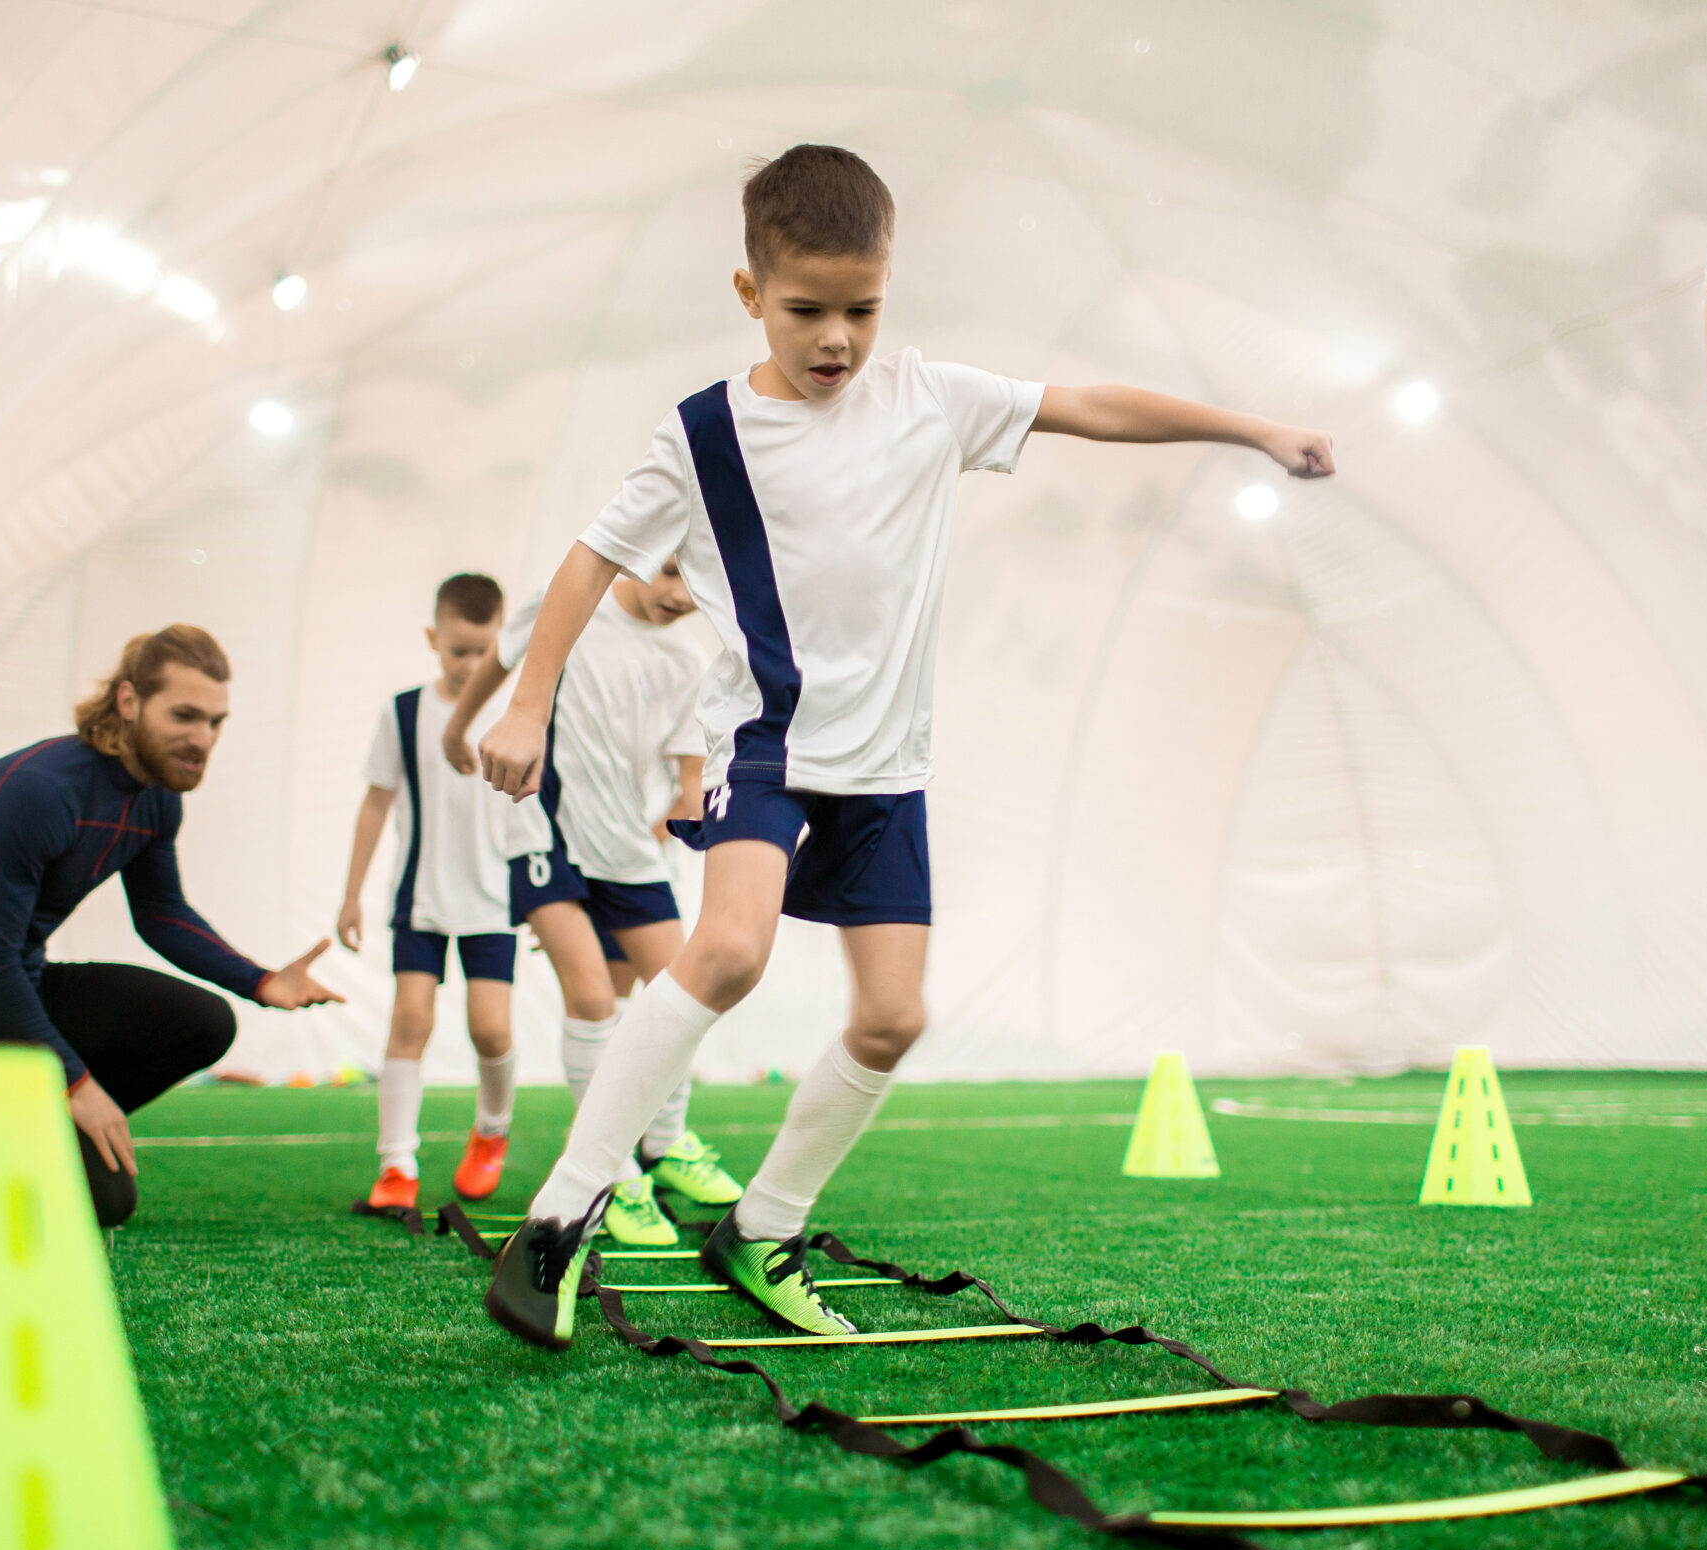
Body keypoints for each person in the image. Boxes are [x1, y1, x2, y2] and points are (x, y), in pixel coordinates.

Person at [472, 144, 1335, 1349]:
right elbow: (590, 558)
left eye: (862, 309)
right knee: (726, 952)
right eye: (805, 310)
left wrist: (1253, 429)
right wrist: (526, 699)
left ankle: (763, 1228)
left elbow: (1088, 405)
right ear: (747, 294)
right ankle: (560, 1216)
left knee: (891, 1019)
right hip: (764, 741)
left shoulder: (931, 398)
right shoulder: (703, 434)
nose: (836, 337)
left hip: (887, 767)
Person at [0, 624, 342, 1229]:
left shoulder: (157, 797)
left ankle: (20, 1137)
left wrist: (262, 981)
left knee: (203, 1024)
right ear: (128, 701)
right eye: (185, 716)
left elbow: (161, 914)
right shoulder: (41, 792)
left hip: (16, 988)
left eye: (216, 722)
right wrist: (78, 1086)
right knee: (106, 1202)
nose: (203, 740)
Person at [444, 555, 744, 1248]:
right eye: (670, 571)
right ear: (644, 552)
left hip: (627, 848)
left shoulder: (687, 658)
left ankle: (664, 1144)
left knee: (686, 990)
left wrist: (687, 808)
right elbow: (498, 658)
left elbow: (688, 768)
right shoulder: (572, 600)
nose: (678, 595)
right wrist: (457, 727)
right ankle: (612, 1176)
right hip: (543, 829)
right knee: (590, 998)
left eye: (698, 585)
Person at [336, 573, 554, 1209]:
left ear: (503, 644)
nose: (470, 664)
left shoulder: (519, 714)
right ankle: (396, 1166)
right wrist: (352, 895)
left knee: (490, 1029)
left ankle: (491, 1132)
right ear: (433, 639)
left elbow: (540, 809)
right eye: (458, 650)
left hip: (493, 899)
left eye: (483, 651)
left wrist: (545, 900)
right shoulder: (403, 712)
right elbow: (376, 804)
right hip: (420, 898)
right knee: (410, 1020)